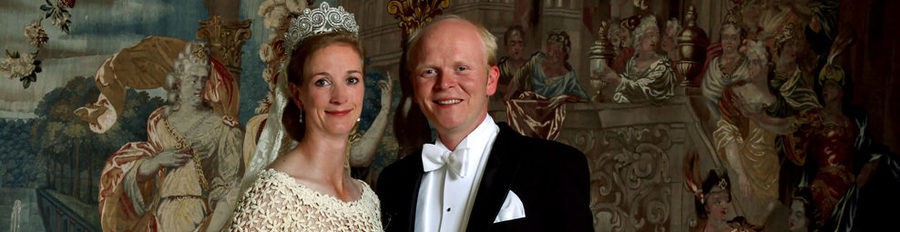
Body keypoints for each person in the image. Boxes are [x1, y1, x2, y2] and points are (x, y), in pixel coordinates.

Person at [376, 15, 593, 231]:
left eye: (461, 68)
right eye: (430, 71)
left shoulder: (555, 167)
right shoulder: (393, 181)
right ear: (415, 86)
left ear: (490, 80)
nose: (445, 83)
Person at [228, 3, 382, 231]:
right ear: (298, 95)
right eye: (323, 81)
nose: (340, 97)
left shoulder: (367, 198)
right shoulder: (274, 195)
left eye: (351, 80)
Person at [98, 42, 244, 232]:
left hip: (198, 216)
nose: (199, 85)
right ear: (178, 80)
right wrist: (156, 162)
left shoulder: (223, 127)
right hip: (160, 217)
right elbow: (144, 176)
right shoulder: (158, 122)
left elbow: (230, 188)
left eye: (204, 79)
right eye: (193, 79)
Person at [713, 40, 781, 226]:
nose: (751, 67)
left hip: (770, 168)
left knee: (764, 217)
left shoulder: (776, 102)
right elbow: (727, 133)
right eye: (749, 62)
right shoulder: (736, 93)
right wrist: (740, 172)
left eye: (756, 62)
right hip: (744, 162)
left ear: (767, 67)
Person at [599, 15, 677, 104]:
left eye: (656, 35)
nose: (653, 40)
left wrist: (618, 80)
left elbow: (645, 92)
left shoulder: (662, 65)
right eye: (649, 35)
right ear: (640, 38)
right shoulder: (631, 63)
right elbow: (622, 93)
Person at [701, 22, 749, 126]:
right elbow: (708, 96)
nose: (729, 41)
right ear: (721, 40)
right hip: (716, 120)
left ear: (740, 40)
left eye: (733, 38)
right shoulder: (713, 65)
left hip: (743, 119)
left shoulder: (747, 64)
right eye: (725, 37)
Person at [687, 170, 761, 232]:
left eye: (726, 199)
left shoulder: (739, 229)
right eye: (718, 201)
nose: (724, 205)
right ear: (706, 206)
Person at [496, 25, 527, 99]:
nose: (517, 48)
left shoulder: (530, 68)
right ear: (506, 46)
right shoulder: (502, 68)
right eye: (513, 44)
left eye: (520, 43)